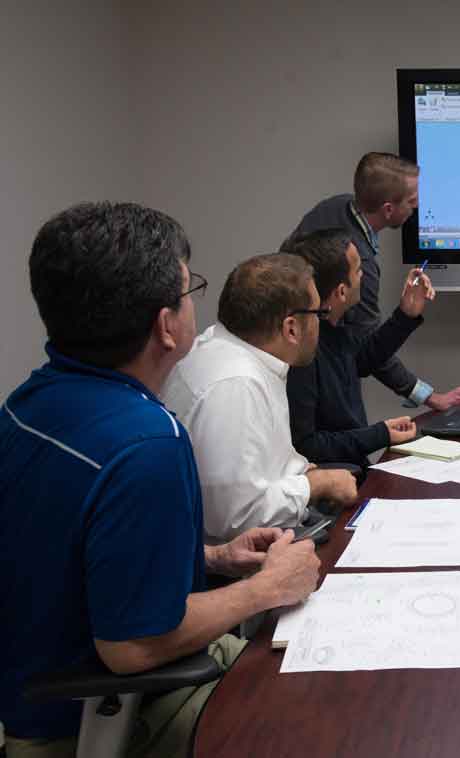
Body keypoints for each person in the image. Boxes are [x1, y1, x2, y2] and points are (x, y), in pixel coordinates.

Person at [0, 203, 320, 757]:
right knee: (315, 715)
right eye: (188, 290)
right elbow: (132, 647)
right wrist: (268, 587)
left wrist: (213, 558)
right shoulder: (149, 441)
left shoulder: (30, 401)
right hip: (98, 718)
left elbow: (74, 552)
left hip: (31, 688)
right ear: (165, 325)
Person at [162, 253, 360, 543]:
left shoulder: (227, 348)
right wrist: (314, 484)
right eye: (318, 314)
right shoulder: (236, 385)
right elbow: (235, 518)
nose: (322, 324)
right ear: (291, 328)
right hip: (242, 563)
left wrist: (301, 470)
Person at [291, 151, 460, 410]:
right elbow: (368, 354)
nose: (417, 207)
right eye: (412, 201)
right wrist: (428, 396)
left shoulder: (335, 206)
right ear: (388, 209)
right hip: (323, 393)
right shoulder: (362, 268)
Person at [283, 229, 428, 464]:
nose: (364, 276)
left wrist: (406, 315)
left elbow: (363, 360)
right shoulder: (302, 352)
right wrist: (381, 434)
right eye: (359, 270)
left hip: (354, 466)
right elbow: (307, 445)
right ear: (341, 291)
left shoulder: (336, 327)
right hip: (338, 482)